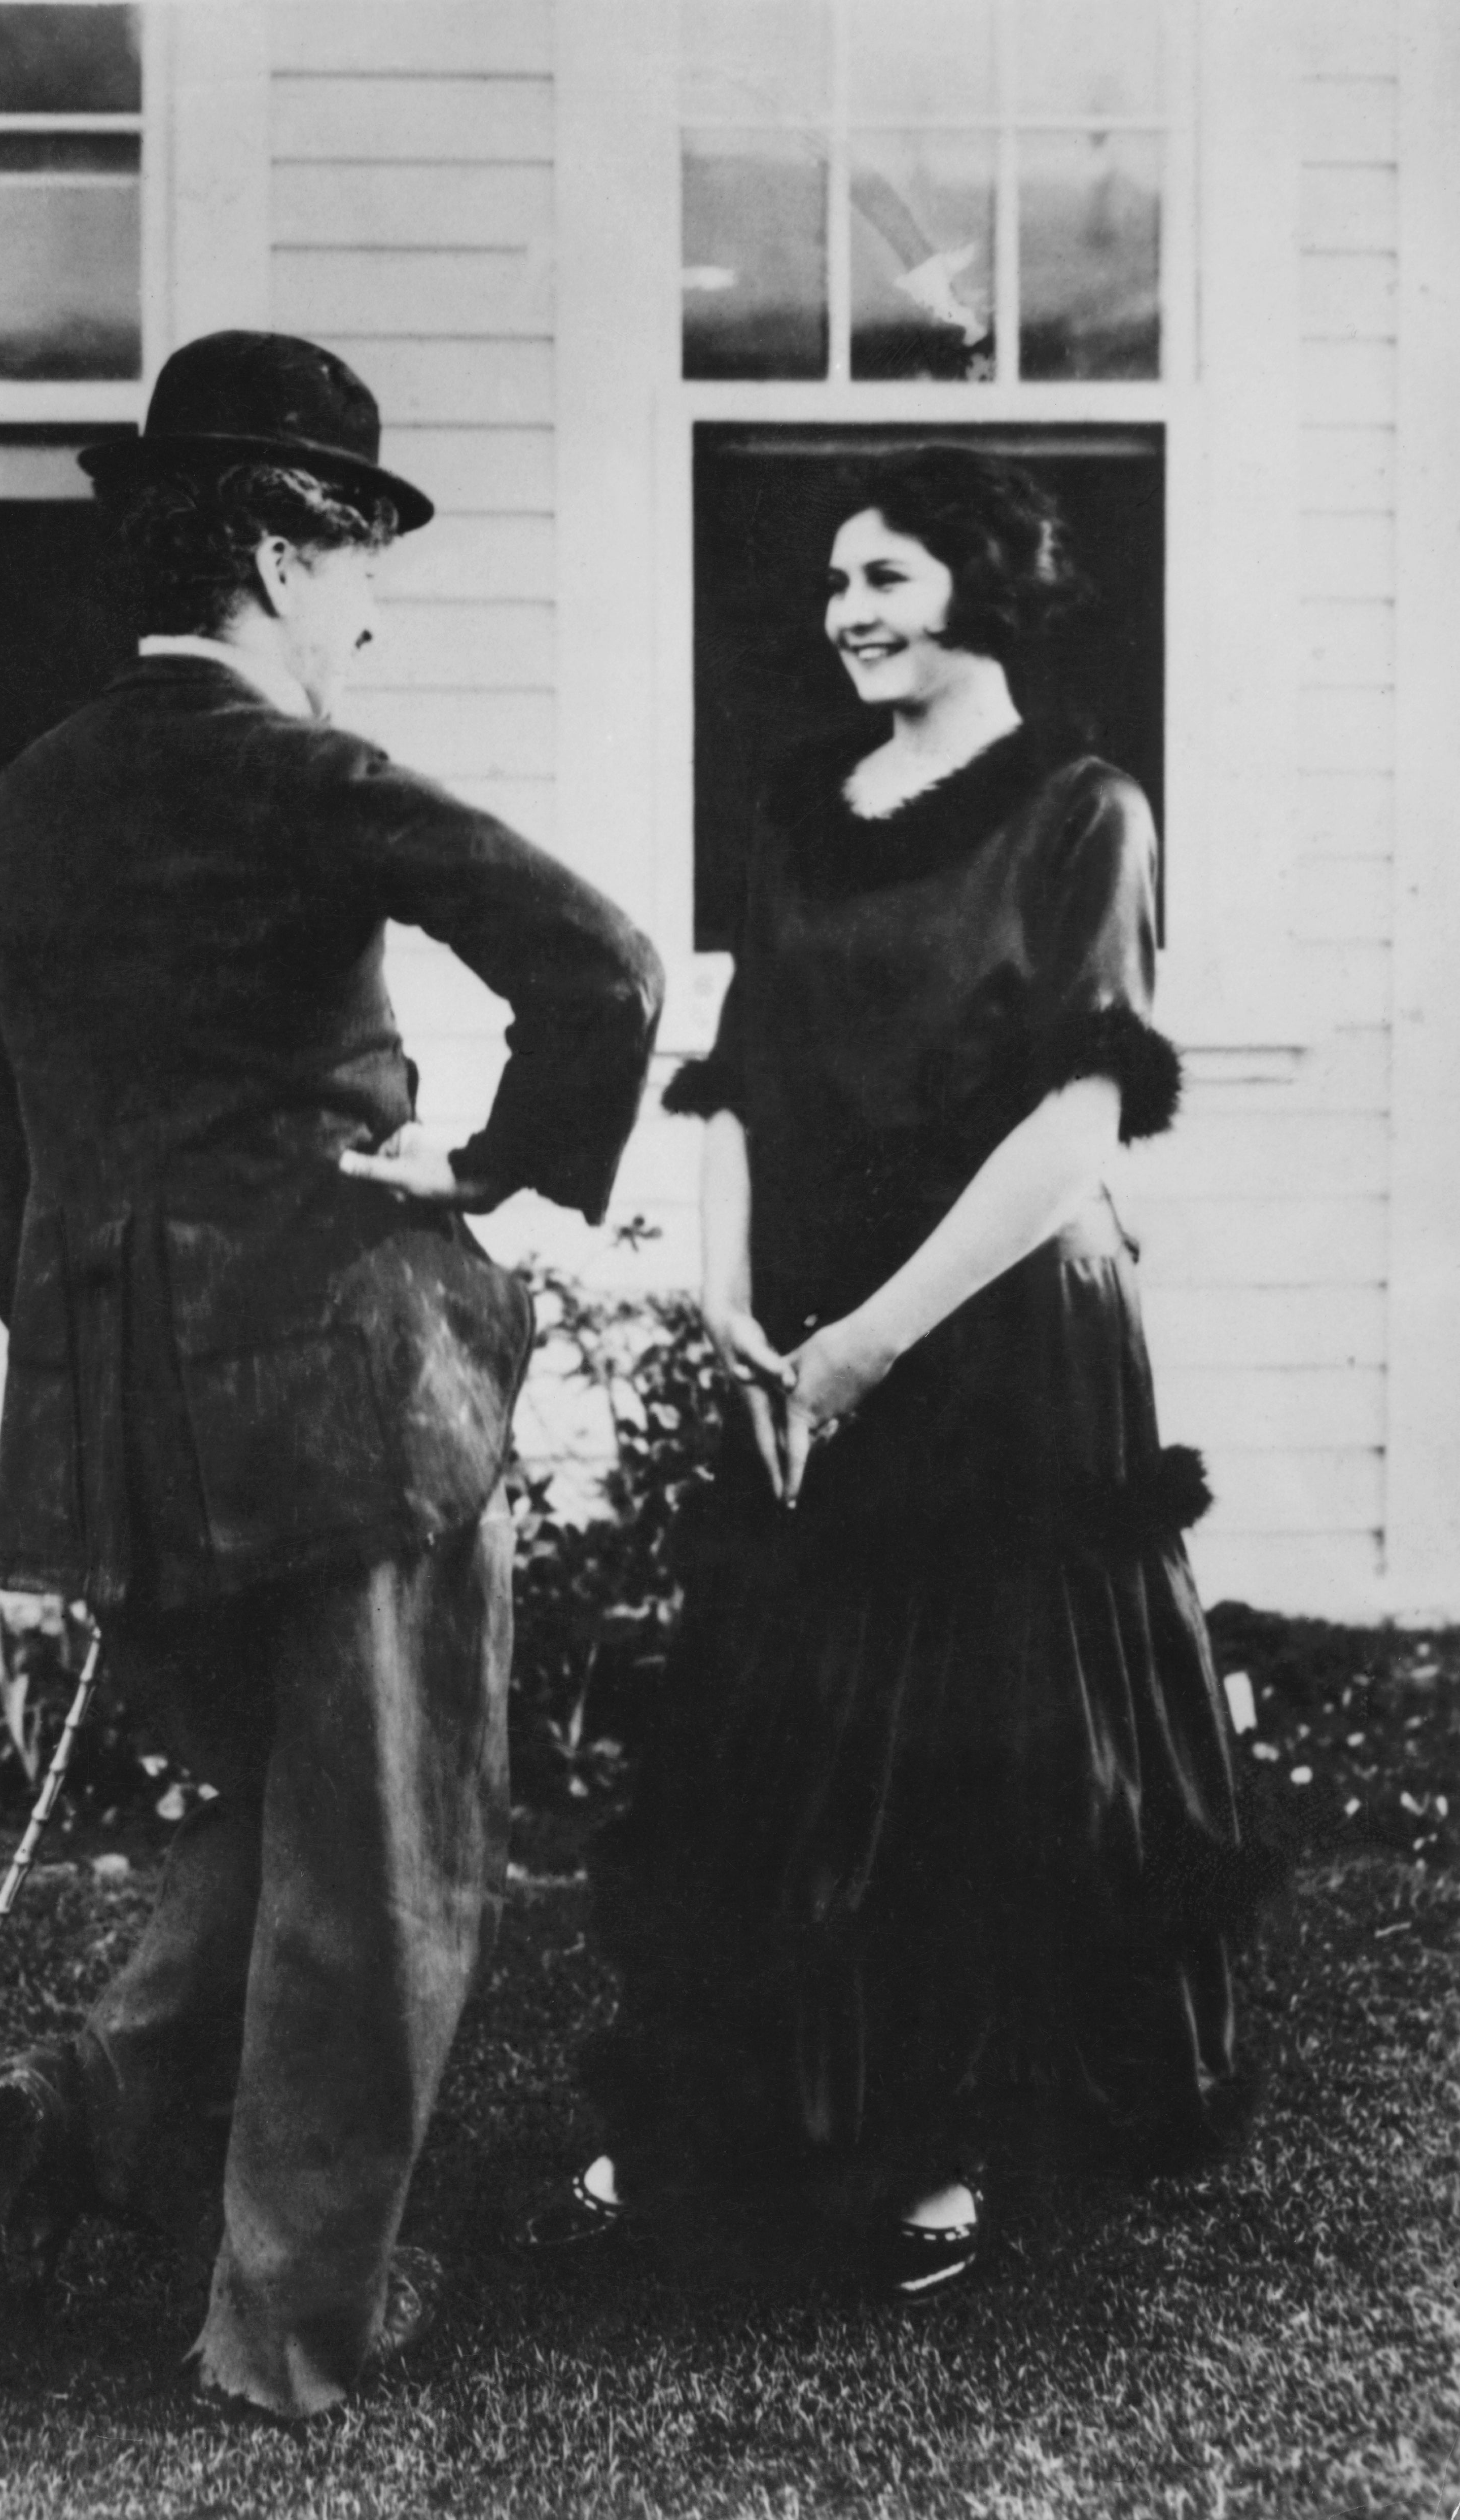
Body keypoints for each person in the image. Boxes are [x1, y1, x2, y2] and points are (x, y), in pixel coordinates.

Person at [0, 330, 663, 2417]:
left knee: (272, 1819)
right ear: (272, 537)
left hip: (125, 1434)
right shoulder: (298, 769)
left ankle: (78, 2118)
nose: (369, 609)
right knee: (392, 1856)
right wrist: (498, 1161)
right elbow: (602, 958)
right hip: (346, 1403)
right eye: (360, 563)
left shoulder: (15, 806)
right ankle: (288, 2333)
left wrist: (103, 1351)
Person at [537, 446, 1257, 2294]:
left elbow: (1081, 1120)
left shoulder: (1086, 812)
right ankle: (722, 2103)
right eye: (834, 585)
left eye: (885, 576)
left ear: (984, 584)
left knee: (967, 1740)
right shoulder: (799, 803)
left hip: (1000, 1323)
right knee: (774, 1723)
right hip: (810, 1319)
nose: (845, 612)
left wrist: (877, 1335)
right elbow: (740, 1067)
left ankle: (941, 2138)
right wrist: (726, 1284)